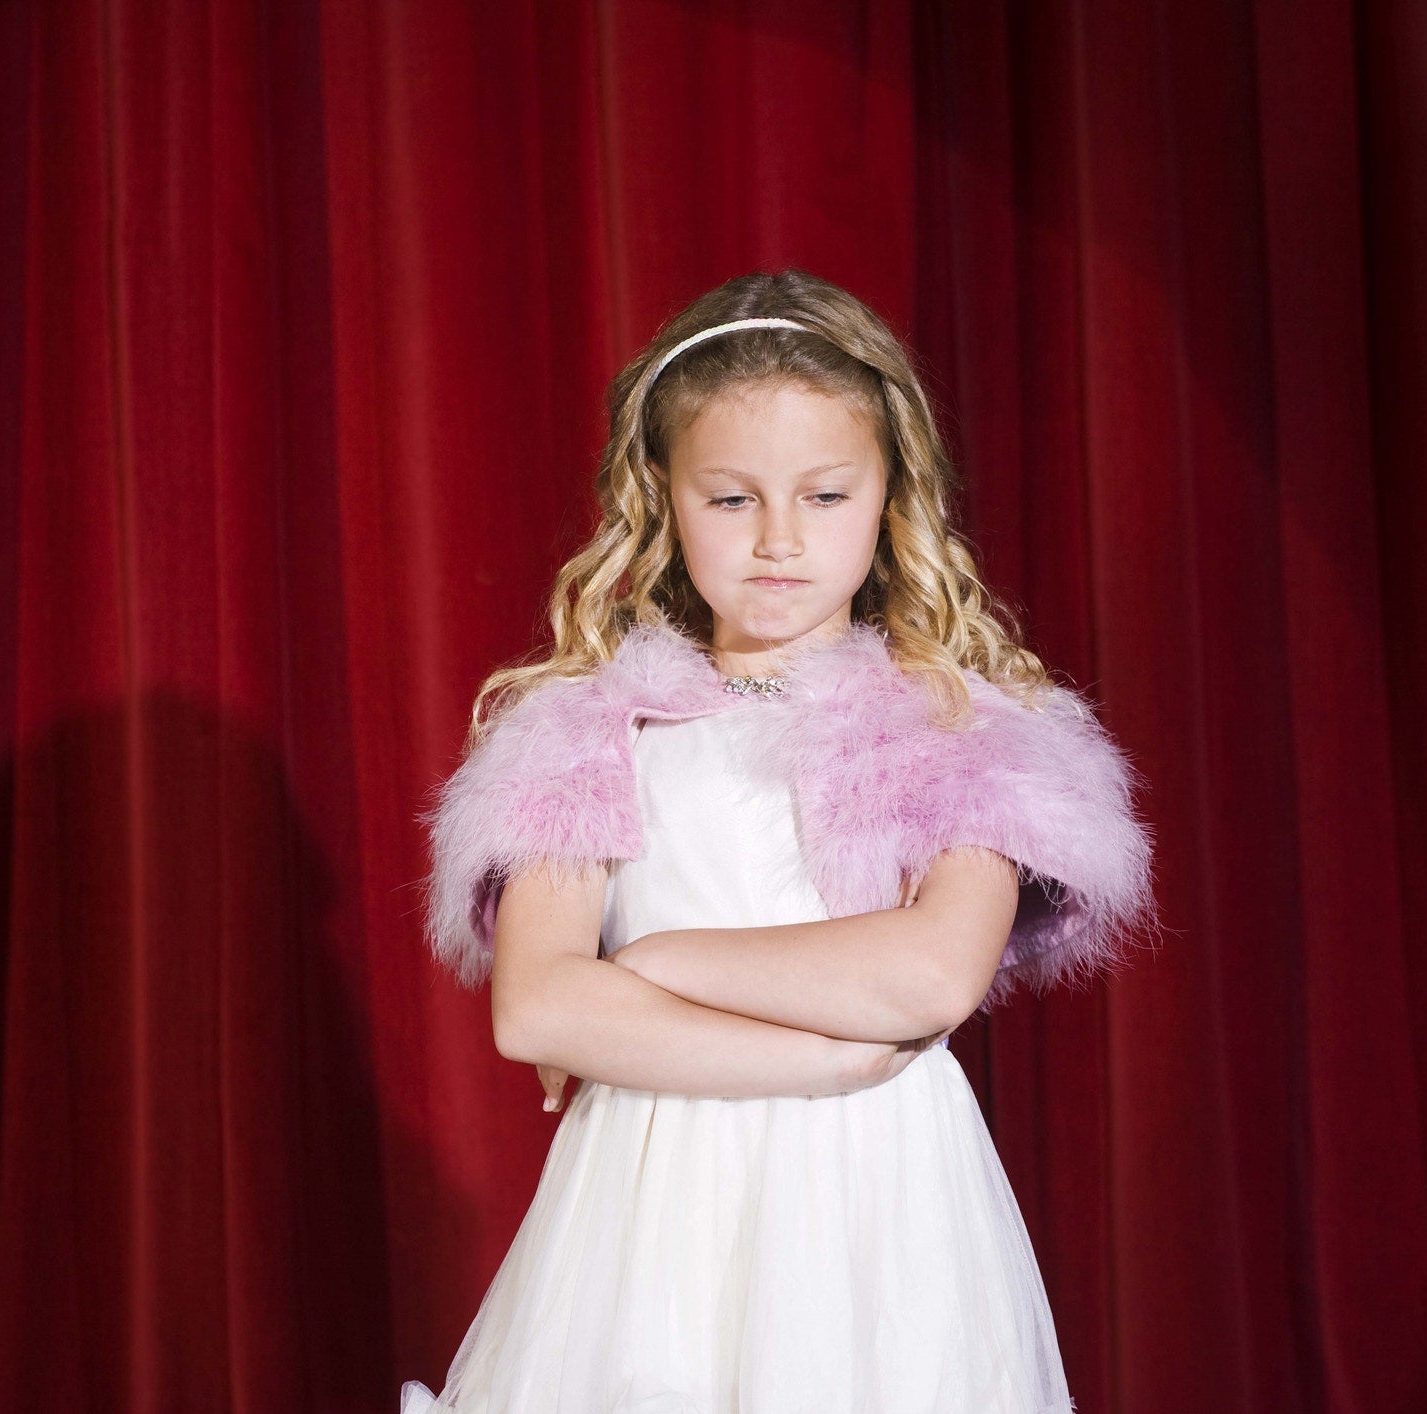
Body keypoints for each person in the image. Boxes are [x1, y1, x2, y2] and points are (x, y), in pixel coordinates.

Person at [402, 268, 1161, 1412]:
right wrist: (822, 1059)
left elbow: (932, 972)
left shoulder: (961, 726)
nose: (776, 541)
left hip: (881, 1213)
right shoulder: (590, 729)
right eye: (731, 498)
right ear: (662, 497)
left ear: (888, 495)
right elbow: (539, 1010)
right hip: (650, 1211)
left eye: (822, 495)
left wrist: (652, 966)